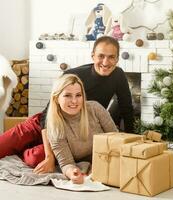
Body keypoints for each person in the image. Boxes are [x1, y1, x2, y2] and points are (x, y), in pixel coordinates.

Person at [0, 36, 134, 174]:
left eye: (111, 57)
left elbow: (127, 109)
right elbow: (47, 116)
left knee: (35, 158)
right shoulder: (73, 74)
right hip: (46, 123)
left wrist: (132, 146)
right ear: (93, 56)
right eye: (101, 56)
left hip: (69, 135)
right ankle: (26, 144)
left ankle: (24, 150)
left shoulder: (118, 76)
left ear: (117, 59)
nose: (105, 62)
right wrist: (49, 156)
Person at [0, 74, 118, 184]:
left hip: (58, 140)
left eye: (78, 95)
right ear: (56, 98)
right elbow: (48, 125)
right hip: (39, 125)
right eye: (67, 95)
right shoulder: (53, 124)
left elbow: (115, 139)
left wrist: (74, 173)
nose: (74, 101)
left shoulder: (95, 109)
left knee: (36, 157)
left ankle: (22, 150)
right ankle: (21, 144)